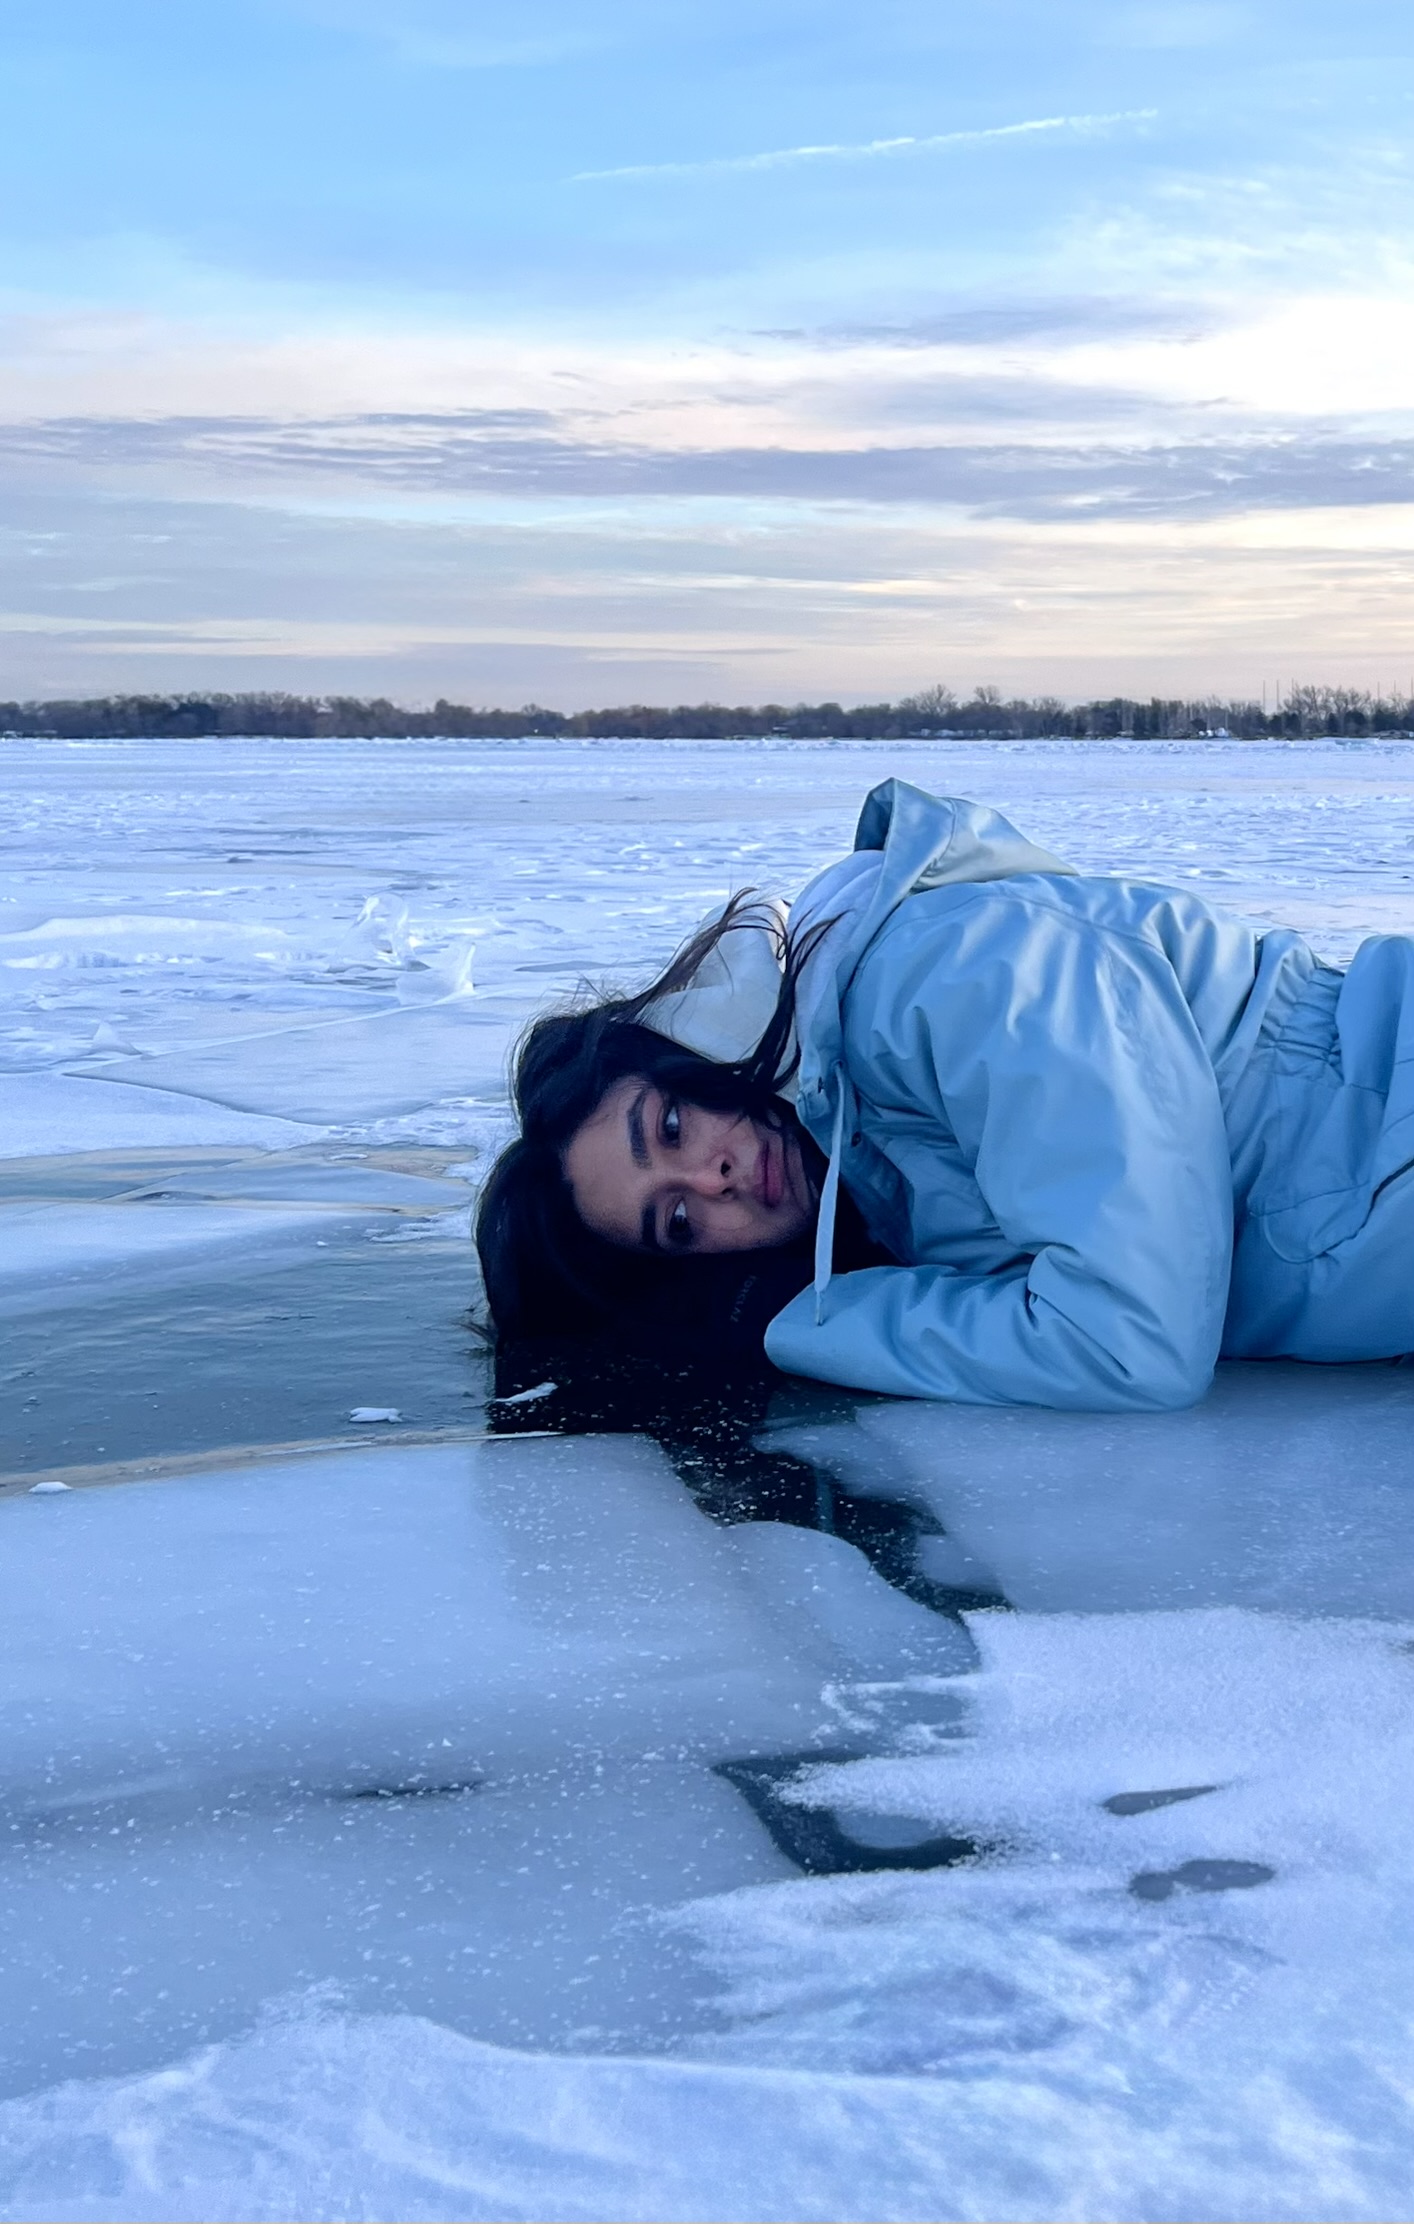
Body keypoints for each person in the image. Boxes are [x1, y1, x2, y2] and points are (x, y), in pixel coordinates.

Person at [477, 777, 1414, 1420]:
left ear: (687, 1051)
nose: (713, 1177)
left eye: (671, 1127)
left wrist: (792, 1319)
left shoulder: (939, 978)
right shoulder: (879, 1169)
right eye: (676, 1221)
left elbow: (1129, 1340)